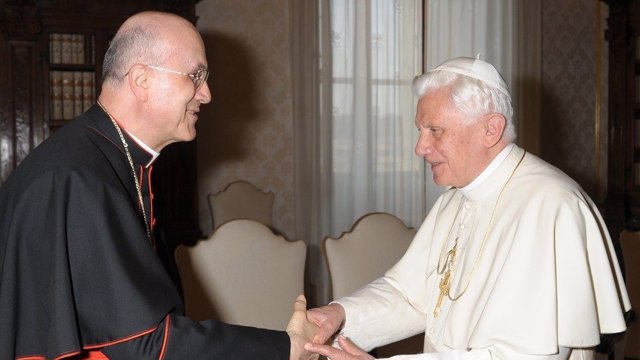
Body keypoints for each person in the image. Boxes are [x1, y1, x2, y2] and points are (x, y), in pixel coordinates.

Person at [0, 11, 317, 360]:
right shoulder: (79, 179)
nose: (207, 94)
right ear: (141, 80)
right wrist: (286, 348)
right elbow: (147, 345)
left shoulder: (115, 160)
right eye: (196, 76)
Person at [304, 57, 631, 360]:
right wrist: (340, 314)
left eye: (435, 130)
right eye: (420, 130)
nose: (420, 147)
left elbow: (525, 355)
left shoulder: (551, 206)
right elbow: (412, 296)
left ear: (491, 129)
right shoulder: (456, 198)